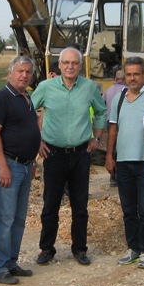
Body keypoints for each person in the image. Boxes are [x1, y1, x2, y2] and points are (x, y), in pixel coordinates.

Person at [31, 47, 106, 266]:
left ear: (80, 66)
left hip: (81, 154)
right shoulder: (46, 87)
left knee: (80, 205)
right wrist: (38, 141)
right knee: (50, 205)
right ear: (60, 65)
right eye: (66, 63)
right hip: (53, 154)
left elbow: (101, 111)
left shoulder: (89, 88)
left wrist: (97, 138)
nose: (70, 67)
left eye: (75, 63)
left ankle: (80, 249)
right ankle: (47, 248)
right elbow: (27, 111)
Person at [105, 56, 144, 269]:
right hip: (123, 163)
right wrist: (109, 157)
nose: (132, 78)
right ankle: (133, 248)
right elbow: (112, 129)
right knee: (129, 209)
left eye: (136, 74)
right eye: (129, 74)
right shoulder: (119, 99)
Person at [0, 56, 42, 284]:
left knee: (18, 218)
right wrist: (2, 166)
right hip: (9, 164)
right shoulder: (2, 98)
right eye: (20, 71)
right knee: (6, 217)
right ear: (10, 73)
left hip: (25, 166)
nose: (24, 75)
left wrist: (33, 161)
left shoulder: (26, 98)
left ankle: (10, 262)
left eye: (28, 72)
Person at [103, 70, 128, 187]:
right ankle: (121, 177)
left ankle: (113, 178)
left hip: (109, 121)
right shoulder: (127, 91)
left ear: (115, 78)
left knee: (112, 149)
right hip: (123, 122)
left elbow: (102, 106)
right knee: (122, 149)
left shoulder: (108, 90)